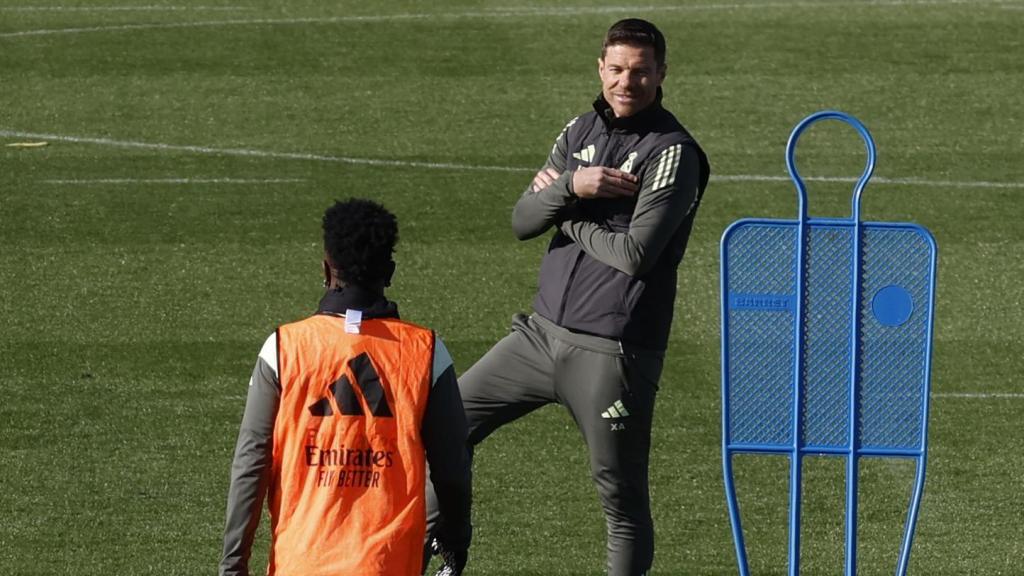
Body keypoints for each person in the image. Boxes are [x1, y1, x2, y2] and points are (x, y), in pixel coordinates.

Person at [425, 18, 710, 576]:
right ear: (601, 68)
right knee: (440, 428)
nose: (628, 82)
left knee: (620, 498)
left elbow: (635, 256)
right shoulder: (579, 130)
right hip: (537, 336)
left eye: (641, 71)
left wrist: (569, 209)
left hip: (610, 352)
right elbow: (522, 219)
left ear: (661, 74)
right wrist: (570, 189)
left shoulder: (673, 152)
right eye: (618, 69)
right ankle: (439, 549)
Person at [220, 198, 472, 576]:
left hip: (300, 565)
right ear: (389, 271)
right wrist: (455, 540)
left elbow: (250, 466)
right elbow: (452, 471)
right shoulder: (427, 352)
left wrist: (233, 566)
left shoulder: (284, 348)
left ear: (326, 268)